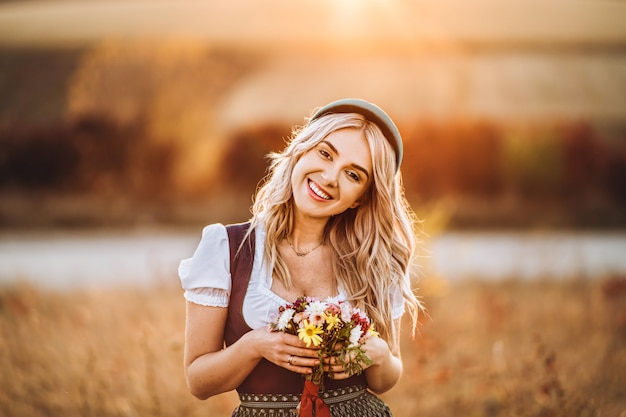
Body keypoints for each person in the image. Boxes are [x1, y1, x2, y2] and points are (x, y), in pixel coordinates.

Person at [179, 98, 423, 417]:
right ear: (301, 150)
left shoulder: (374, 260)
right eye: (325, 153)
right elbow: (198, 382)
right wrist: (254, 346)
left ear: (360, 199)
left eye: (353, 175)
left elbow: (385, 379)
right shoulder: (226, 247)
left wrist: (379, 355)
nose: (331, 176)